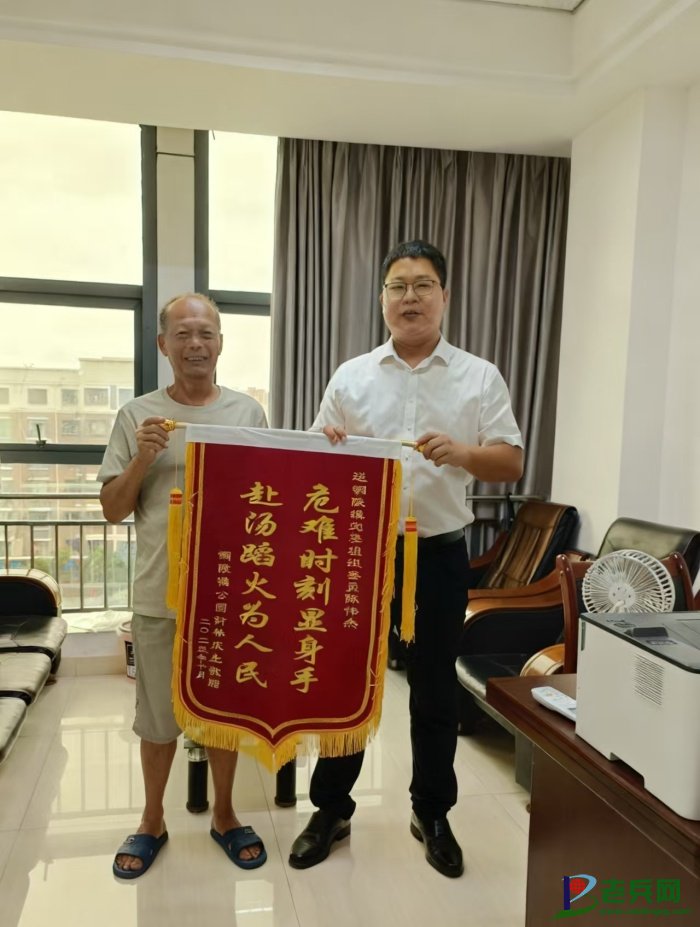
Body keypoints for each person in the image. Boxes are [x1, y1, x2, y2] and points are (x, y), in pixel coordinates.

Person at [288, 240, 524, 879]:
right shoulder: (351, 375)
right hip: (361, 555)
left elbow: (511, 460)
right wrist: (327, 443)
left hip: (440, 555)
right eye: (398, 286)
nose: (410, 297)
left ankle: (432, 811)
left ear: (444, 297)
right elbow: (313, 458)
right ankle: (331, 809)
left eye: (423, 285)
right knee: (346, 681)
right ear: (383, 299)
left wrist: (464, 453)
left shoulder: (479, 375)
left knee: (434, 687)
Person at [99, 293, 269, 879]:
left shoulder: (248, 413)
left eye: (206, 333)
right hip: (160, 593)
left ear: (220, 343)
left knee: (223, 713)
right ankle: (152, 820)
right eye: (183, 334)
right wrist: (142, 459)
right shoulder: (137, 415)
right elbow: (112, 510)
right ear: (163, 344)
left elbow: (274, 497)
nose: (195, 344)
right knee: (157, 719)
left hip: (230, 594)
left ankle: (225, 814)